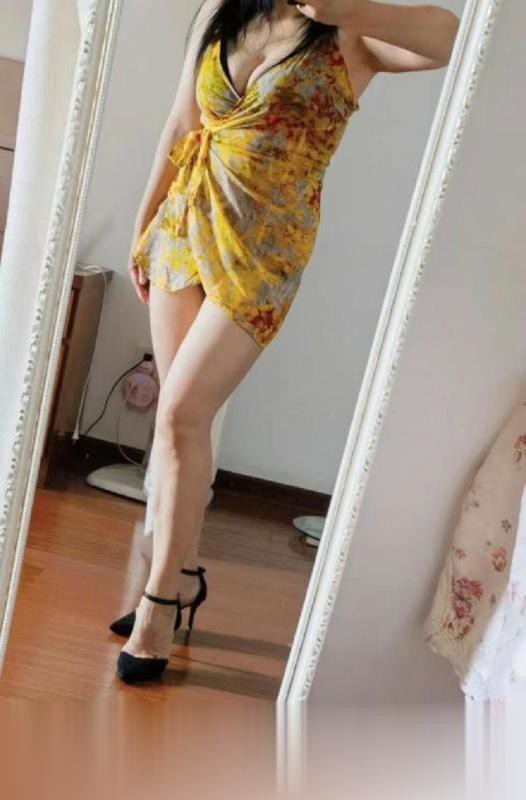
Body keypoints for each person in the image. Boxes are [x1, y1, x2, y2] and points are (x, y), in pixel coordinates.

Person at [113, 0, 460, 683]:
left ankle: (158, 605)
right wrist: (143, 223)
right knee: (178, 427)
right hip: (184, 227)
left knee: (182, 413)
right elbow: (183, 122)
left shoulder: (353, 33)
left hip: (263, 257)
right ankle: (180, 576)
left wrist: (351, 7)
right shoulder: (223, 11)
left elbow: (451, 39)